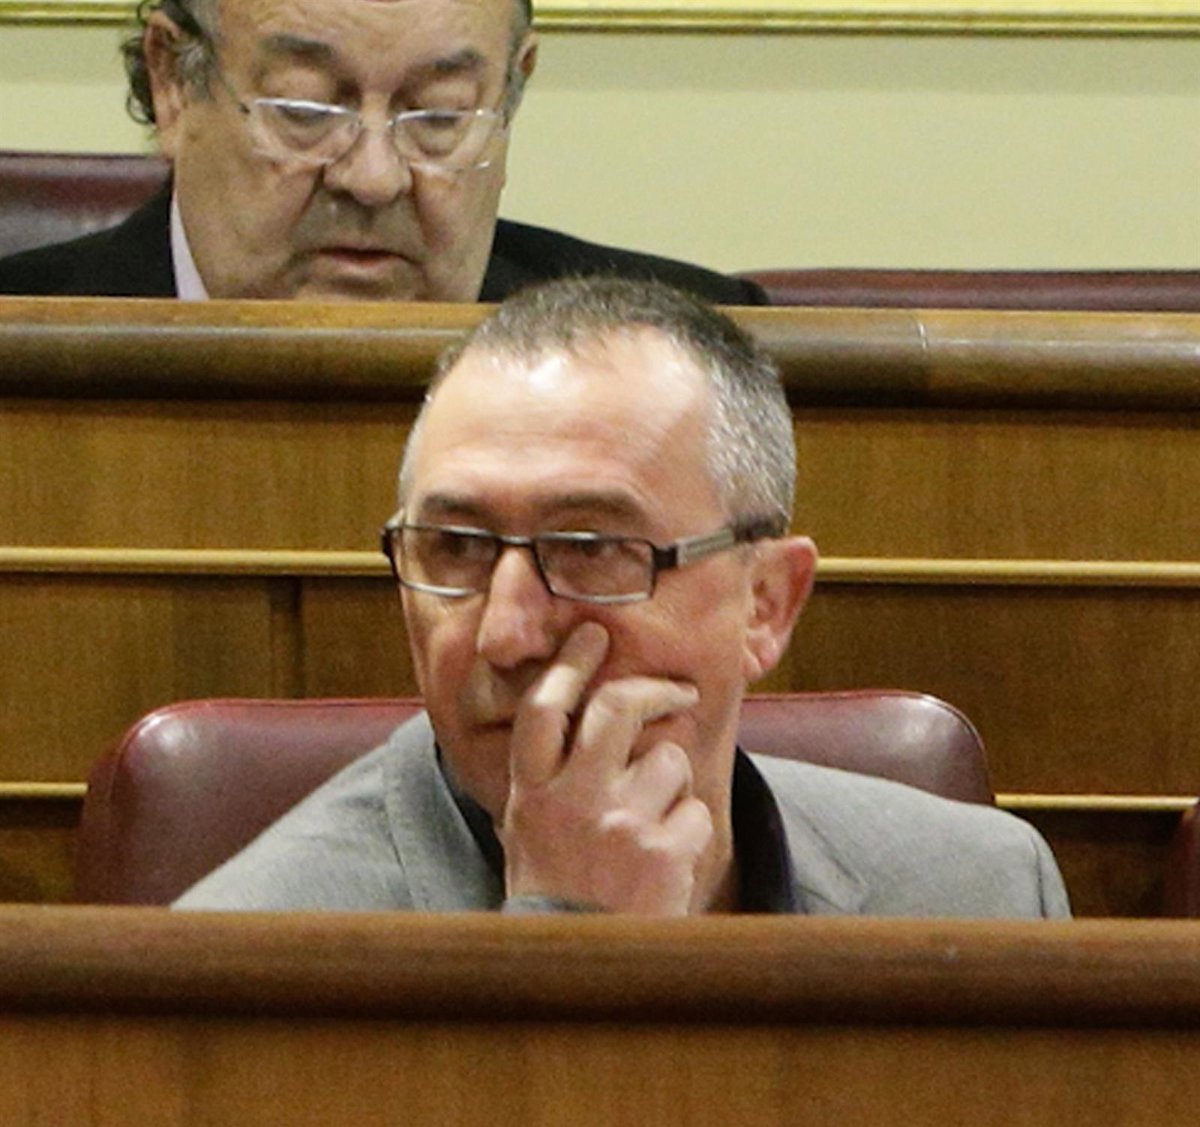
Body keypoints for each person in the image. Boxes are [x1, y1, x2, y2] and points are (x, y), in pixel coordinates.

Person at [176, 276, 1069, 917]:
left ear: (766, 602)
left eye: (590, 549)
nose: (506, 633)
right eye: (456, 547)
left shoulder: (978, 892)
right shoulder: (253, 956)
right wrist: (567, 940)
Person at [0, 0, 763, 305]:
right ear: (173, 82)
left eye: (439, 114)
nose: (373, 177)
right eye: (306, 108)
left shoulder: (693, 357)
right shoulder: (22, 356)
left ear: (512, 89)